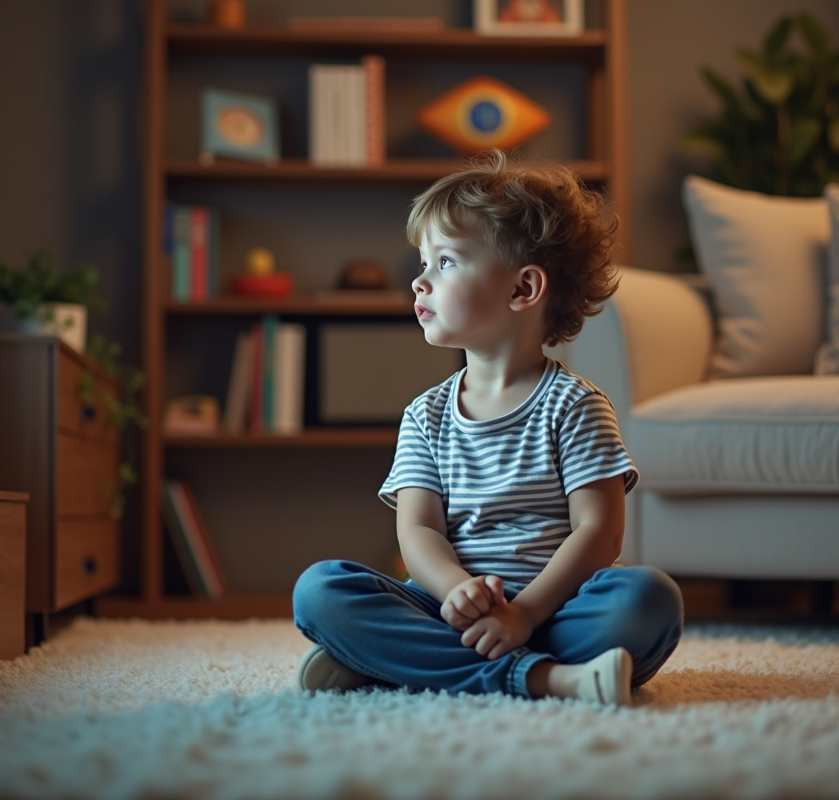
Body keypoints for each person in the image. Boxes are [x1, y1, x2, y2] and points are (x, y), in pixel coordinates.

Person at [292, 151, 683, 706]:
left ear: (523, 289)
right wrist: (456, 591)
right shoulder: (425, 415)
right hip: (451, 611)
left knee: (647, 598)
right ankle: (548, 679)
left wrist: (523, 613)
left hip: (556, 609)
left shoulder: (576, 406)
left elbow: (600, 533)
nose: (419, 282)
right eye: (422, 263)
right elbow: (418, 532)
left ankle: (405, 662)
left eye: (446, 262)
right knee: (321, 591)